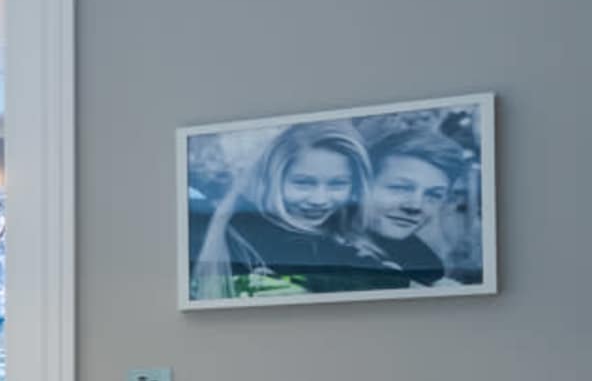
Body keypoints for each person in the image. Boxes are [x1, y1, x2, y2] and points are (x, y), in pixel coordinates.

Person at [193, 121, 372, 300]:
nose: (320, 199)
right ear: (275, 179)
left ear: (356, 185)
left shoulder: (346, 235)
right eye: (303, 183)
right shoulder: (256, 235)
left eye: (338, 184)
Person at [349, 126, 481, 289]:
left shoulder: (420, 258)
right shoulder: (323, 248)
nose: (415, 206)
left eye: (433, 195)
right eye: (399, 188)